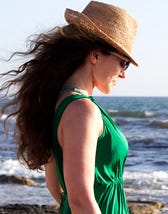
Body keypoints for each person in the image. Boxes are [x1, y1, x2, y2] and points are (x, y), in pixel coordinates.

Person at [0, 1, 138, 213]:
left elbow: (54, 185)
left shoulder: (59, 104)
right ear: (96, 55)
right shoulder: (82, 111)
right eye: (123, 62)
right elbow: (80, 198)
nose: (124, 73)